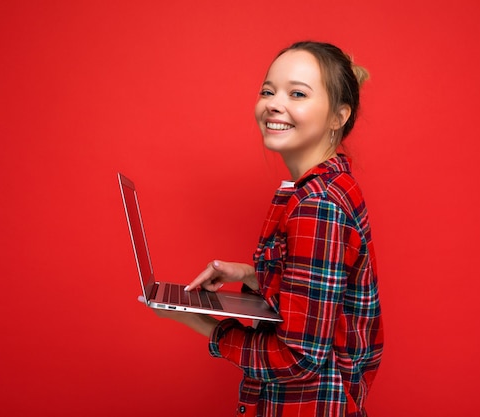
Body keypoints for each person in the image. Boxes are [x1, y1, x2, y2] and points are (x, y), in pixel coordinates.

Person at [154, 41, 383, 417]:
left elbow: (299, 358)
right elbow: (324, 303)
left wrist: (199, 322)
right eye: (267, 90)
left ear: (339, 116)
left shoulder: (318, 205)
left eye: (297, 93)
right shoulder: (329, 186)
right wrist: (252, 275)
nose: (274, 104)